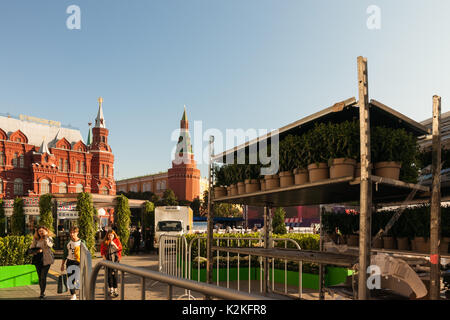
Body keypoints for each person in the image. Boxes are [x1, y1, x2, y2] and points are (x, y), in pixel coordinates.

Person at [29, 226, 55, 299]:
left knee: (43, 276)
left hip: (47, 260)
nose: (41, 232)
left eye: (42, 231)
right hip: (38, 260)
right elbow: (32, 248)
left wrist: (46, 236)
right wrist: (36, 250)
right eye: (39, 231)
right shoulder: (36, 239)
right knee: (40, 277)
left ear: (46, 231)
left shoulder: (49, 238)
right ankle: (42, 291)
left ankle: (42, 293)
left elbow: (49, 245)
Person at [61, 226, 85, 300]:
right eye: (71, 233)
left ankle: (79, 290)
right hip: (70, 261)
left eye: (73, 233)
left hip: (78, 262)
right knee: (70, 279)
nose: (72, 234)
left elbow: (85, 253)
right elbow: (65, 254)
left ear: (77, 233)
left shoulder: (82, 242)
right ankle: (73, 295)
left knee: (77, 278)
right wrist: (62, 264)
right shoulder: (67, 242)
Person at [100, 230, 122, 298]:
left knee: (115, 275)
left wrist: (114, 244)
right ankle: (111, 289)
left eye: (111, 235)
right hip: (108, 261)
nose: (110, 237)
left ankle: (115, 290)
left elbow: (120, 249)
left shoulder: (117, 241)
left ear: (114, 235)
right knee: (109, 276)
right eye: (109, 235)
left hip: (115, 261)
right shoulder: (105, 242)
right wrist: (105, 260)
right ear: (107, 235)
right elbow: (102, 252)